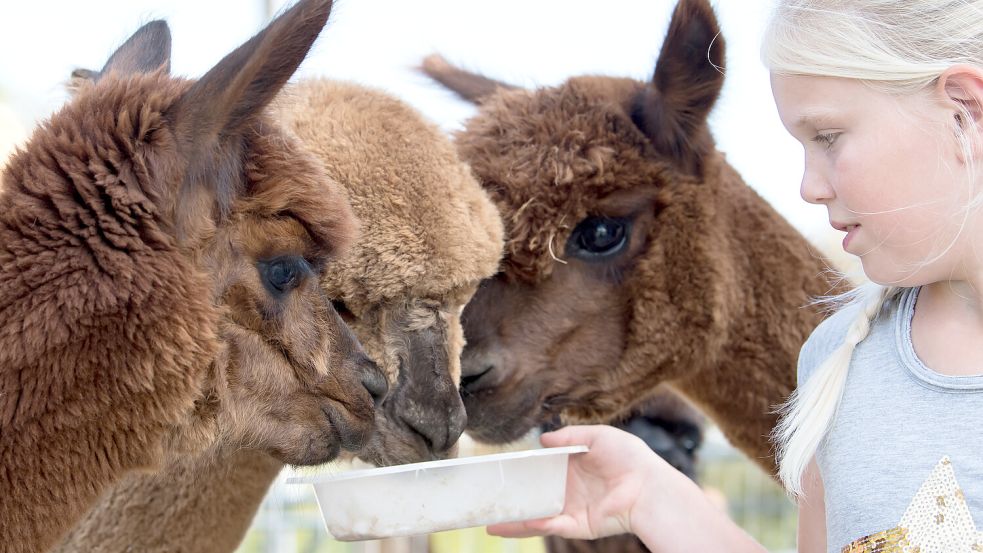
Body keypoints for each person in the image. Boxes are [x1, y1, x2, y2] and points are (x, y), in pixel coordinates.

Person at [488, 1, 983, 551]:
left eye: (828, 137)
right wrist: (650, 496)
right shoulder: (838, 361)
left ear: (964, 108)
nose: (809, 187)